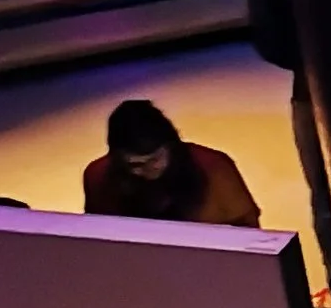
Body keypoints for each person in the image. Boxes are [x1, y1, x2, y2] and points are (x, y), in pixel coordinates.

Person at [243, 0, 331, 308]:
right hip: (319, 86)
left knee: (325, 185)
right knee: (326, 184)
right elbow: (270, 39)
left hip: (318, 84)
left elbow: (270, 40)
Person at [83, 96, 262, 225]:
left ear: (171, 147)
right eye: (135, 164)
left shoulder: (214, 169)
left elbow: (248, 232)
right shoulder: (97, 176)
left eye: (155, 159)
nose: (150, 169)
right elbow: (100, 235)